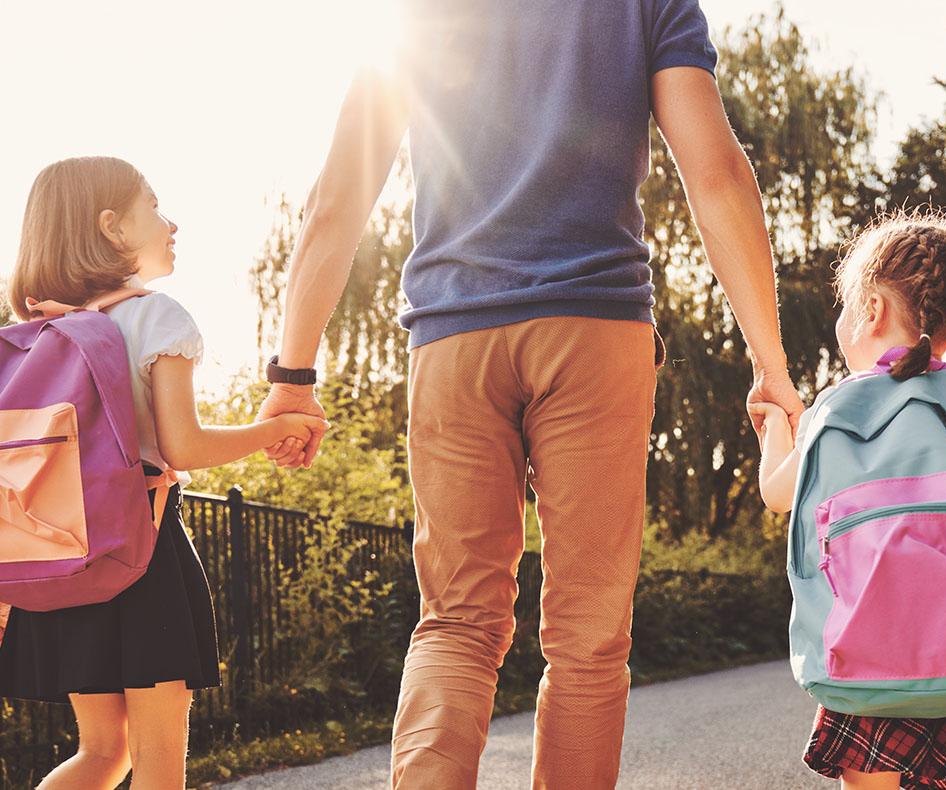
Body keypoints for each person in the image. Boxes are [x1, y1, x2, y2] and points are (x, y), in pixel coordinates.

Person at [255, 1, 803, 786]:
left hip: (454, 340)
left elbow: (336, 199)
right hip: (597, 331)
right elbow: (715, 172)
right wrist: (770, 365)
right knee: (588, 638)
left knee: (455, 624)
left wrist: (293, 378)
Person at [0, 156, 326, 790]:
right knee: (156, 769)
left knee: (100, 753)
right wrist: (276, 429)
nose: (171, 222)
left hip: (64, 556)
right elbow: (184, 446)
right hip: (141, 555)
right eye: (154, 206)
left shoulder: (35, 335)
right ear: (112, 226)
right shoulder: (156, 317)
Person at [750, 212, 946, 790]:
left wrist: (778, 431)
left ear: (873, 310)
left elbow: (777, 495)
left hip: (872, 672)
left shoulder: (838, 409)